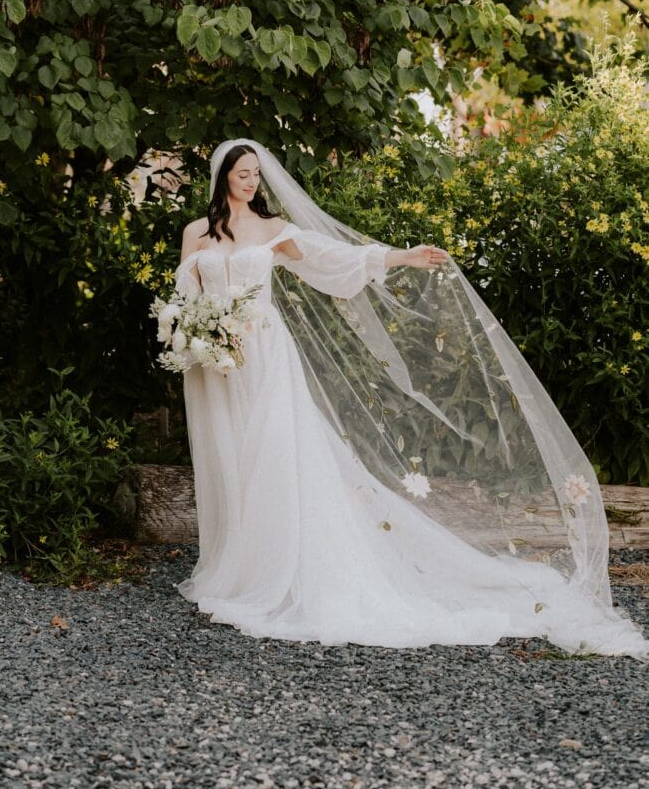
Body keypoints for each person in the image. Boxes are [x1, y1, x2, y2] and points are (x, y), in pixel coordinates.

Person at [173, 138, 649, 660]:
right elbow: (183, 296)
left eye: (257, 174)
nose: (251, 181)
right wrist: (194, 333)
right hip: (213, 358)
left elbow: (332, 256)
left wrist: (402, 256)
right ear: (223, 176)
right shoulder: (197, 232)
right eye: (243, 173)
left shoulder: (272, 231)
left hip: (263, 354)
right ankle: (236, 568)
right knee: (228, 455)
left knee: (271, 454)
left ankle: (276, 572)